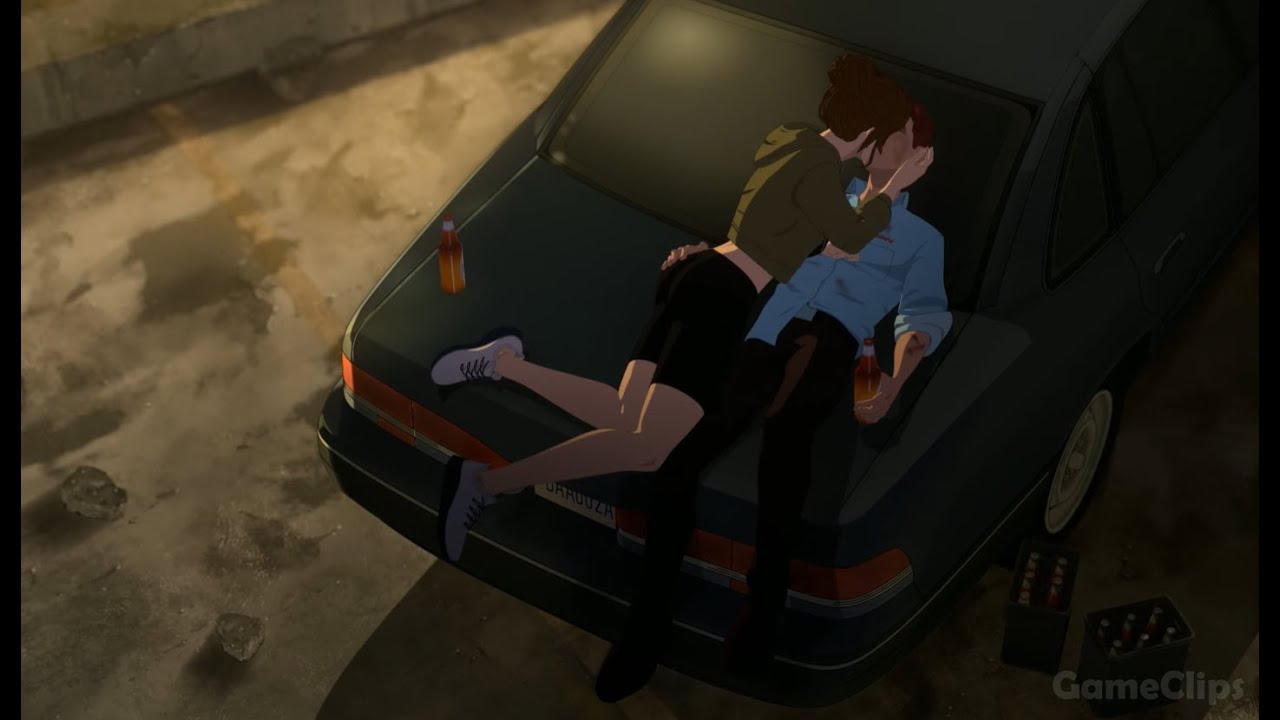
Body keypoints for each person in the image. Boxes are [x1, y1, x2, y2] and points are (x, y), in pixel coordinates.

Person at [428, 54, 934, 563]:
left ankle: (503, 362)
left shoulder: (794, 141)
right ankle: (488, 482)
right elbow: (850, 238)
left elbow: (792, 229)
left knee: (626, 414)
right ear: (867, 131)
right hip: (723, 295)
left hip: (698, 274)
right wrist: (892, 189)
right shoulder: (821, 171)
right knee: (651, 448)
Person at [593, 102, 951, 702]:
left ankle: (763, 608)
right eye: (882, 132)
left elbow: (920, 316)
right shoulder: (822, 191)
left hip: (831, 339)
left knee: (786, 444)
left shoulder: (920, 239)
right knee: (679, 457)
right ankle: (647, 624)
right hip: (765, 332)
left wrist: (893, 380)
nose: (882, 144)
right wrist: (710, 258)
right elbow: (759, 241)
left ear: (921, 157)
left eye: (899, 138)